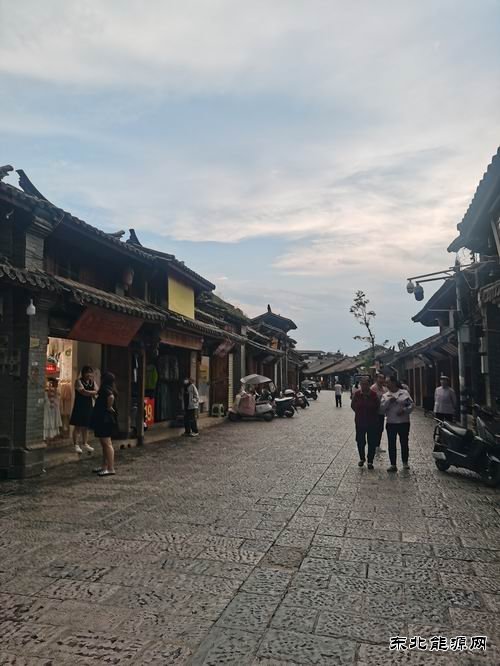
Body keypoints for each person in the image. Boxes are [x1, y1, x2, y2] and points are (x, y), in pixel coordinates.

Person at [381, 376, 414, 473]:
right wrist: (388, 402)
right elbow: (381, 409)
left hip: (404, 422)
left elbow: (411, 405)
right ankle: (393, 464)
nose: (386, 384)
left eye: (388, 382)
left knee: (404, 442)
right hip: (391, 422)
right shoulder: (386, 395)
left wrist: (404, 410)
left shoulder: (404, 393)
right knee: (391, 444)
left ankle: (405, 462)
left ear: (394, 382)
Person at [91, 372, 117, 477]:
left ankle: (110, 468)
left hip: (105, 419)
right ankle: (104, 466)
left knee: (107, 443)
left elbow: (111, 397)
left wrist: (109, 406)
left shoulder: (106, 388)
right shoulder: (109, 388)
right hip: (103, 418)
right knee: (104, 444)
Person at [351, 377, 380, 469]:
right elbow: (353, 405)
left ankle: (370, 461)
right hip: (360, 421)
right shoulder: (357, 394)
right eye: (362, 384)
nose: (364, 386)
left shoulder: (374, 395)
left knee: (372, 441)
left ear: (369, 385)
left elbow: (378, 406)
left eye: (366, 384)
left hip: (372, 422)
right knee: (360, 441)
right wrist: (359, 412)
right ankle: (362, 458)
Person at [70, 366, 98, 454]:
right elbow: (83, 392)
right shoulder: (78, 381)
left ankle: (85, 443)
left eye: (90, 372)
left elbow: (96, 391)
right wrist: (92, 392)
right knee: (78, 426)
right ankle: (76, 444)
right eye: (87, 372)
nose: (89, 374)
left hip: (88, 406)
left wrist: (92, 393)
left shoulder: (92, 382)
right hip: (79, 406)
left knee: (86, 426)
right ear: (83, 373)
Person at [371, 373, 387, 453]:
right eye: (380, 378)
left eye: (382, 378)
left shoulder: (384, 389)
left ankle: (377, 445)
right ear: (376, 379)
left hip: (381, 412)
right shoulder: (373, 388)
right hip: (374, 413)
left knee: (380, 429)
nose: (381, 380)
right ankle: (373, 445)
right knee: (375, 429)